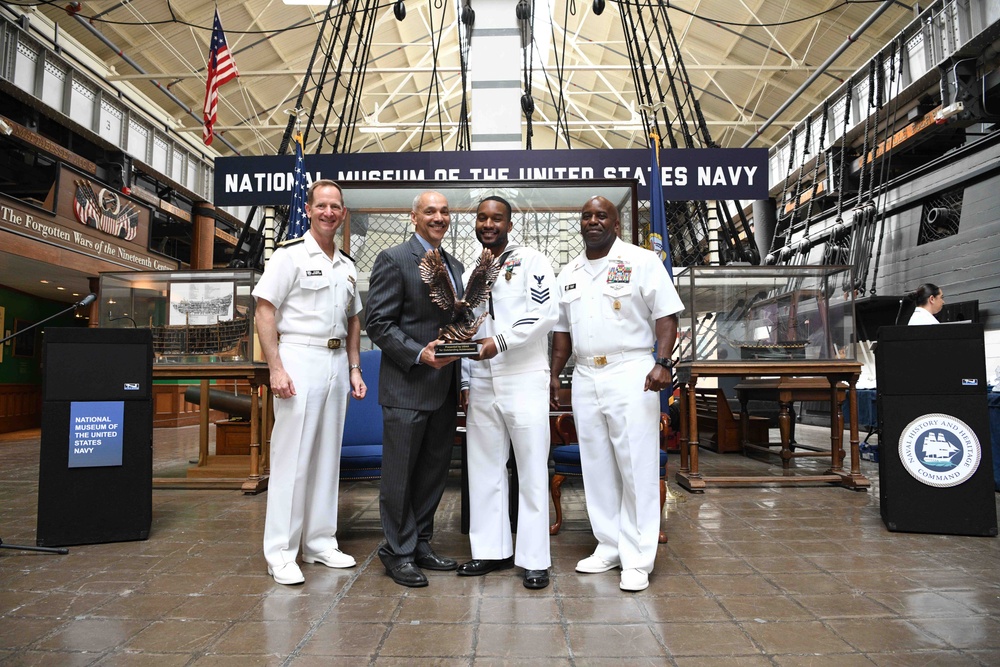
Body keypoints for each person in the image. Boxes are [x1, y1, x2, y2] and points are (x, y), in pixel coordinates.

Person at [549, 195, 683, 592]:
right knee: (596, 465)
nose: (592, 221)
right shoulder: (568, 272)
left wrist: (663, 362)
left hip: (632, 370)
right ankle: (608, 545)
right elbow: (561, 333)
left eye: (600, 215)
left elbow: (666, 316)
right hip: (586, 375)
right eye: (586, 215)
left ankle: (638, 559)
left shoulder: (641, 262)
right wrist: (555, 376)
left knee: (636, 466)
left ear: (617, 223)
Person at [252, 179, 366, 586]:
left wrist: (354, 367)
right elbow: (265, 311)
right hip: (298, 356)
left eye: (336, 206)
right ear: (309, 208)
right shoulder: (289, 256)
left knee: (326, 458)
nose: (329, 212)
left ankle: (319, 542)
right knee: (292, 459)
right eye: (322, 205)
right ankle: (281, 552)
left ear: (343, 212)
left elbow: (354, 320)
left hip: (337, 361)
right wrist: (276, 367)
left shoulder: (347, 264)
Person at [365, 190, 465, 588]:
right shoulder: (393, 259)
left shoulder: (455, 266)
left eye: (443, 212)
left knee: (432, 473)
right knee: (400, 475)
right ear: (414, 218)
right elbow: (378, 323)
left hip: (444, 388)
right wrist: (419, 354)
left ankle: (420, 542)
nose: (438, 217)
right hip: (407, 387)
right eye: (430, 212)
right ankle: (396, 551)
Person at [458, 196, 558, 589]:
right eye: (482, 217)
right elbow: (467, 330)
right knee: (484, 468)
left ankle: (534, 559)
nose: (488, 224)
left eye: (496, 218)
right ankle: (490, 551)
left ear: (509, 224)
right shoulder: (471, 271)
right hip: (482, 379)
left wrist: (501, 341)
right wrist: (466, 379)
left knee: (531, 468)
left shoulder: (532, 260)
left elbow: (545, 312)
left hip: (523, 373)